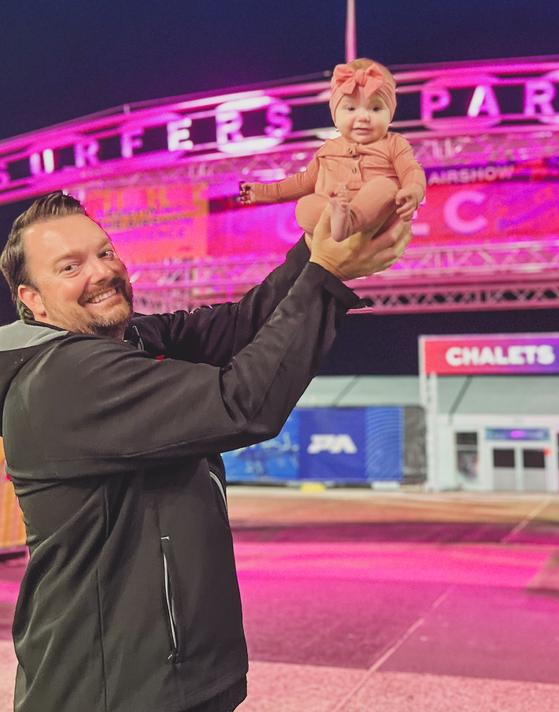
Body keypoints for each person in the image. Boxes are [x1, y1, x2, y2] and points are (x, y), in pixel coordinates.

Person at [0, 190, 409, 712]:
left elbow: (243, 327)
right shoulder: (65, 378)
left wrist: (317, 245)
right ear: (33, 301)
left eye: (104, 252)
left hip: (168, 679)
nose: (100, 272)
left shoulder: (131, 343)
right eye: (69, 266)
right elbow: (242, 403)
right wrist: (325, 273)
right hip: (109, 692)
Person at [240, 58, 427, 241]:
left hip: (376, 219)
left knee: (385, 186)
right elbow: (302, 182)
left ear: (390, 114)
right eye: (351, 109)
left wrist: (413, 191)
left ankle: (349, 221)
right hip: (334, 211)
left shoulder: (394, 143)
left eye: (375, 109)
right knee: (305, 205)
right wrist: (261, 192)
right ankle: (340, 219)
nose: (363, 117)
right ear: (335, 116)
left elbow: (411, 170)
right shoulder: (328, 149)